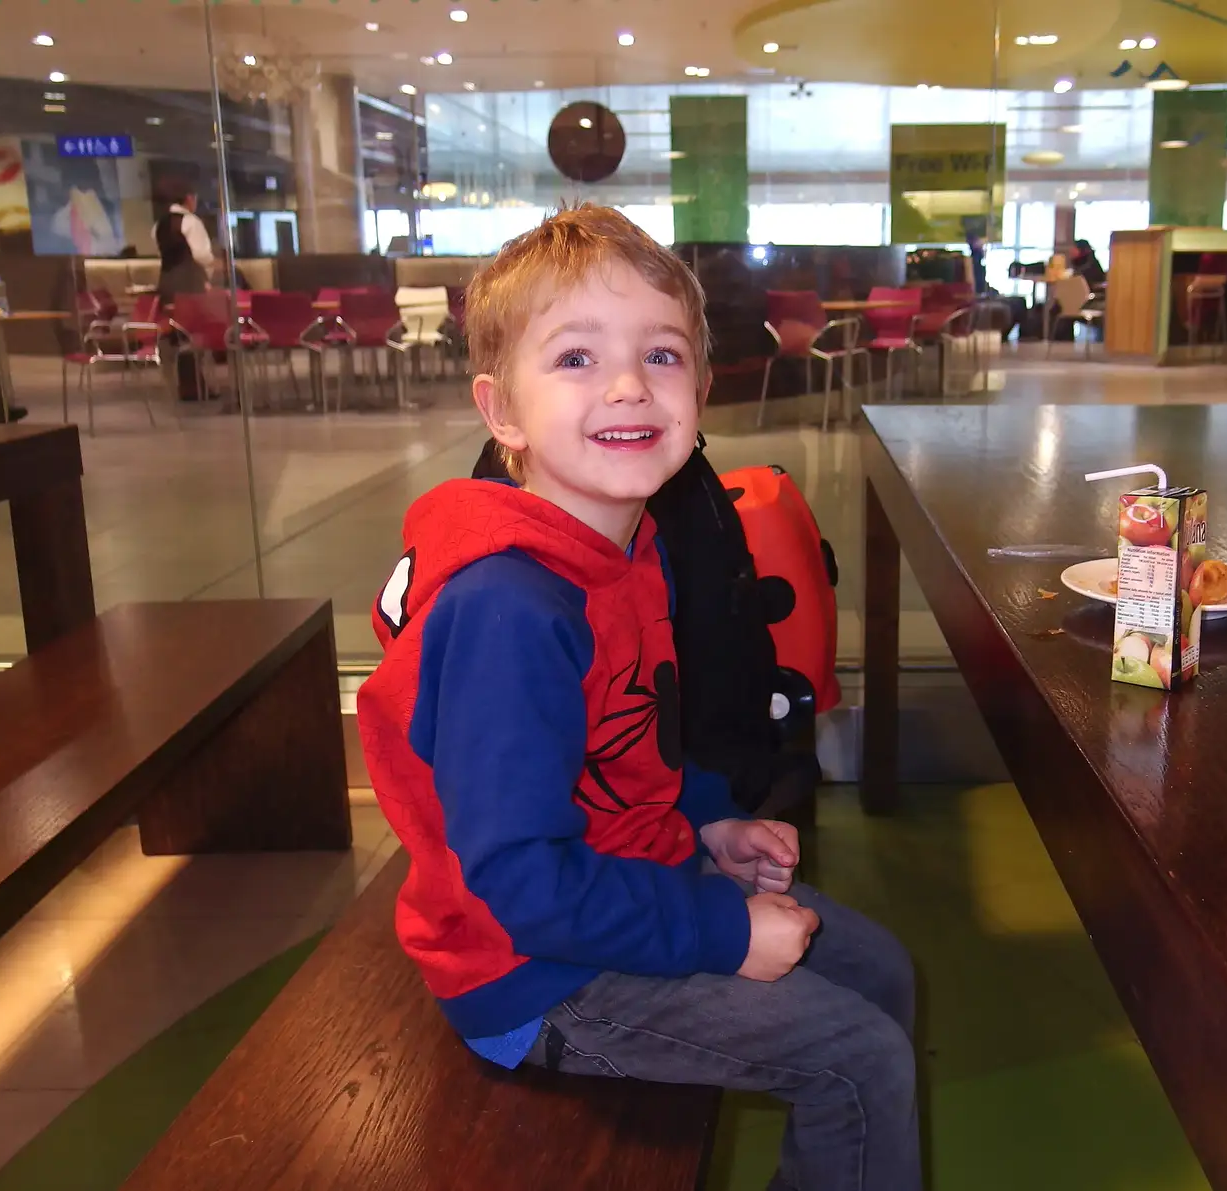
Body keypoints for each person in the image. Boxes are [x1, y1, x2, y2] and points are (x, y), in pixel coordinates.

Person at [356, 204, 921, 1191]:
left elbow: (629, 742)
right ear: (502, 414)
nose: (627, 384)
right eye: (575, 358)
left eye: (661, 356)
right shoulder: (510, 608)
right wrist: (724, 931)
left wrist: (707, 822)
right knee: (854, 1059)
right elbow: (522, 887)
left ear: (700, 391)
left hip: (616, 884)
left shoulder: (625, 551)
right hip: (531, 974)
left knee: (879, 970)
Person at [153, 187, 216, 401]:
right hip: (190, 282)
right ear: (189, 198)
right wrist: (210, 270)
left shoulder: (159, 224)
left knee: (177, 334)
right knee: (194, 333)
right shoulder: (191, 222)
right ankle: (195, 385)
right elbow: (202, 255)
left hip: (167, 282)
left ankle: (186, 384)